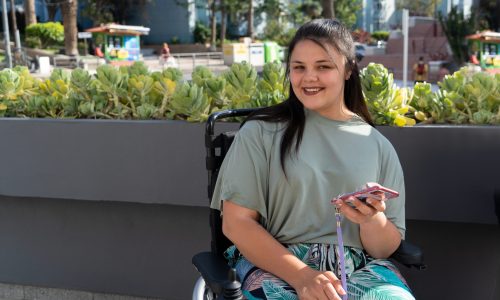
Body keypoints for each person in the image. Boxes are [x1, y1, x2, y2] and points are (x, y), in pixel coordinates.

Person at [210, 19, 414, 300]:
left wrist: (372, 219)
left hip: (360, 269)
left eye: (323, 66)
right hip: (277, 264)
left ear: (348, 70)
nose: (309, 78)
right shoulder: (259, 132)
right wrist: (303, 276)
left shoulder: (378, 146)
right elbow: (236, 223)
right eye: (299, 67)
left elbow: (384, 249)